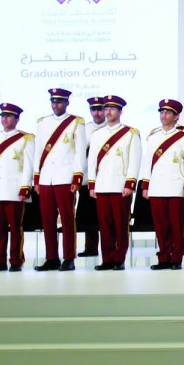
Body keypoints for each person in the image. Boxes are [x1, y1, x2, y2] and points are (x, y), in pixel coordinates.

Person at [33, 88, 87, 271]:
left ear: (67, 103)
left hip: (65, 178)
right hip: (46, 178)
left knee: (67, 219)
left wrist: (77, 177)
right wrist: (37, 178)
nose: (56, 105)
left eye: (59, 102)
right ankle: (51, 258)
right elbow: (38, 151)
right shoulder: (43, 123)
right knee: (47, 219)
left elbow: (80, 152)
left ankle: (69, 257)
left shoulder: (76, 122)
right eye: (53, 102)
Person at [138, 99, 184, 271]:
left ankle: (176, 257)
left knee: (176, 225)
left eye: (168, 112)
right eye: (162, 112)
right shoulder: (153, 137)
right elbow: (148, 162)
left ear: (176, 116)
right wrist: (146, 185)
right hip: (157, 187)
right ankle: (163, 257)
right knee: (161, 225)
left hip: (176, 187)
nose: (163, 115)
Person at [87, 95, 142, 271]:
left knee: (120, 224)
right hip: (102, 185)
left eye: (112, 108)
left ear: (120, 111)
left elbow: (134, 160)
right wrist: (92, 184)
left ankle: (120, 258)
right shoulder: (97, 134)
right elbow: (92, 161)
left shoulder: (130, 133)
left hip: (120, 186)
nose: (108, 111)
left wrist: (130, 183)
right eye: (106, 108)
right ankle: (107, 258)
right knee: (105, 225)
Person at [0, 103, 35, 272]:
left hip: (14, 190)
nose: (5, 119)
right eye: (2, 116)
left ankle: (16, 261)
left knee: (16, 229)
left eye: (9, 116)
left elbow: (28, 165)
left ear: (17, 119)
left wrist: (25, 187)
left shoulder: (26, 138)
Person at [77, 96, 106, 257]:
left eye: (100, 109)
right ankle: (91, 247)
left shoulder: (111, 129)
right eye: (93, 109)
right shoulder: (83, 129)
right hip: (88, 178)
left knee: (105, 216)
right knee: (89, 216)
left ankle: (109, 248)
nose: (97, 113)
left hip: (106, 179)